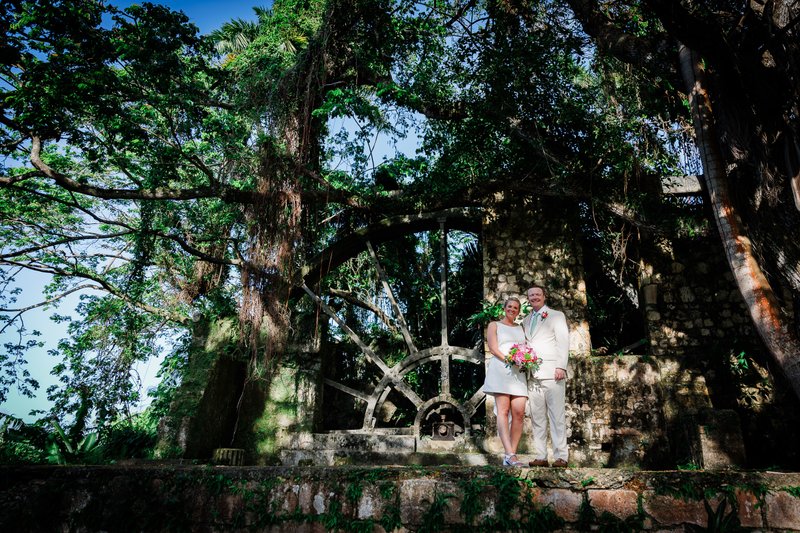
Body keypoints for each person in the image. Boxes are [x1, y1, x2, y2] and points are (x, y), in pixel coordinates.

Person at [522, 285, 570, 467]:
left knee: (556, 416)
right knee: (537, 418)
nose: (534, 297)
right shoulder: (526, 320)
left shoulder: (556, 315)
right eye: (531, 295)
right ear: (528, 298)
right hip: (532, 374)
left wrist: (561, 367)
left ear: (544, 296)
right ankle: (541, 456)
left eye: (537, 294)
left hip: (552, 373)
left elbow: (563, 342)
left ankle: (561, 457)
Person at [482, 297, 528, 467]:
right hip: (502, 370)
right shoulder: (494, 325)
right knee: (503, 411)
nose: (512, 310)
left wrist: (525, 359)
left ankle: (511, 454)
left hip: (518, 373)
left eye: (516, 308)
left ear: (518, 311)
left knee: (519, 412)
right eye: (510, 306)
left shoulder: (521, 328)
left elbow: (525, 348)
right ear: (504, 308)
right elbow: (493, 348)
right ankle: (509, 454)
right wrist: (511, 360)